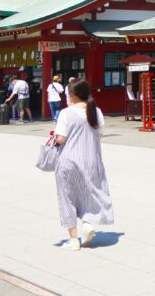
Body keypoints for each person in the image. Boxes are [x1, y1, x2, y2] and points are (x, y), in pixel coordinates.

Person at [53, 79, 113, 251]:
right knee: (90, 194)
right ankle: (87, 224)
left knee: (68, 198)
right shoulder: (97, 111)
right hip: (92, 161)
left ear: (72, 95)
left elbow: (61, 138)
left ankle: (73, 240)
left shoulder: (66, 113)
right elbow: (100, 134)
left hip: (69, 161)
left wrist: (55, 137)